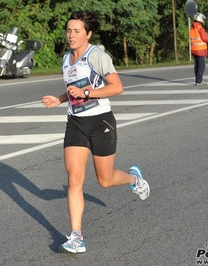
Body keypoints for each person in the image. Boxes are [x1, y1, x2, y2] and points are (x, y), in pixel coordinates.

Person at [41, 10, 150, 254]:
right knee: (74, 179)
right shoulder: (67, 59)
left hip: (101, 122)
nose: (71, 35)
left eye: (77, 31)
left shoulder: (97, 56)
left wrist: (89, 93)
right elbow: (74, 89)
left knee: (105, 180)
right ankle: (76, 237)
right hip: (76, 123)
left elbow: (117, 87)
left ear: (88, 34)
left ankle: (134, 179)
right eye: (69, 30)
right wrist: (59, 99)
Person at [190, 12, 208, 86]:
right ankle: (199, 81)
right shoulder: (200, 28)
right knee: (201, 65)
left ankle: (197, 80)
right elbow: (205, 38)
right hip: (200, 50)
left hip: (194, 49)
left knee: (197, 65)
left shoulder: (192, 28)